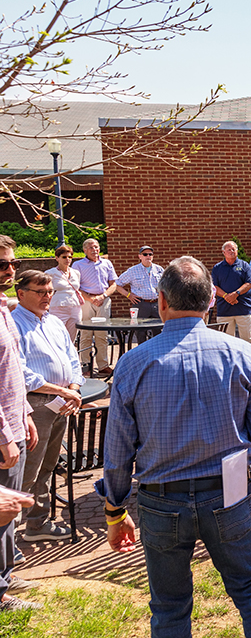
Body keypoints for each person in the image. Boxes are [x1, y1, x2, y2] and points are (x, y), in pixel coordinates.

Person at [98, 256, 251, 636]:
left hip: (161, 500)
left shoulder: (133, 364)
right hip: (228, 494)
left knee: (169, 607)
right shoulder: (240, 353)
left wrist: (114, 510)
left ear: (162, 302)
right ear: (210, 302)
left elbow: (117, 452)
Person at [12, 271, 84, 542]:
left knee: (48, 467)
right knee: (25, 473)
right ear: (21, 293)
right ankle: (7, 539)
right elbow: (20, 372)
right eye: (40, 292)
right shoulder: (13, 323)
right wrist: (62, 390)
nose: (47, 297)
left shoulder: (54, 322)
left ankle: (36, 523)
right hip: (34, 406)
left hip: (62, 405)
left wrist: (73, 389)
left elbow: (72, 359)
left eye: (50, 292)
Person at [0, 237, 40, 612]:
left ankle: (6, 573)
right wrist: (4, 436)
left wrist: (25, 413)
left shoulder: (3, 309)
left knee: (9, 508)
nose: (10, 271)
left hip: (17, 420)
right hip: (2, 435)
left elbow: (11, 372)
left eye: (12, 264)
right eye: (2, 266)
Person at [73, 237, 117, 377]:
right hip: (86, 301)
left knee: (102, 334)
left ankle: (103, 366)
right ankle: (86, 366)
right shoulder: (78, 265)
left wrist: (102, 296)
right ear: (85, 250)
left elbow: (114, 284)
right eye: (91, 247)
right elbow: (75, 286)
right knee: (86, 334)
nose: (95, 250)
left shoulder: (107, 263)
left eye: (96, 247)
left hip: (103, 300)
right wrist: (91, 299)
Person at [212, 241, 251, 350]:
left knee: (248, 340)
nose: (232, 251)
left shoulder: (245, 266)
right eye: (229, 249)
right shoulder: (217, 268)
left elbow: (249, 283)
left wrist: (236, 294)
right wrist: (227, 296)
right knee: (225, 342)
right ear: (223, 252)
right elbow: (214, 287)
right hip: (224, 311)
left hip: (243, 309)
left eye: (234, 249)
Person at [115, 245, 164, 342]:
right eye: (145, 254)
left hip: (156, 303)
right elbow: (117, 284)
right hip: (141, 304)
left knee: (159, 330)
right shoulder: (133, 271)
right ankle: (142, 353)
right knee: (141, 331)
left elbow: (166, 285)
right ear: (140, 256)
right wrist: (128, 295)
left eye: (150, 254)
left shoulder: (159, 269)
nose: (148, 256)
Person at [45, 244, 83, 340]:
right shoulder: (50, 273)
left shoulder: (76, 273)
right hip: (58, 307)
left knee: (72, 338)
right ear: (57, 258)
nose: (68, 259)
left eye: (70, 257)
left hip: (75, 307)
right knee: (57, 336)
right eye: (64, 257)